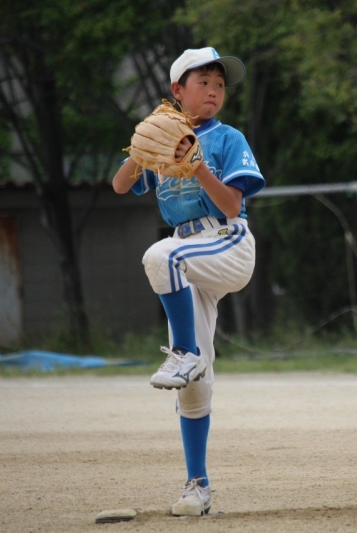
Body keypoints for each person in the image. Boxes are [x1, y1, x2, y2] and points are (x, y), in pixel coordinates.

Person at [112, 47, 265, 515]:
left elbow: (233, 206)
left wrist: (197, 163)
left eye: (220, 84)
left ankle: (184, 353)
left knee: (160, 255)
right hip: (188, 255)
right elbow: (121, 185)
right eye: (204, 82)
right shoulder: (164, 137)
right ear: (177, 90)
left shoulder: (227, 138)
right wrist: (142, 147)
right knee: (194, 386)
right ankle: (197, 487)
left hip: (226, 242)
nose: (214, 91)